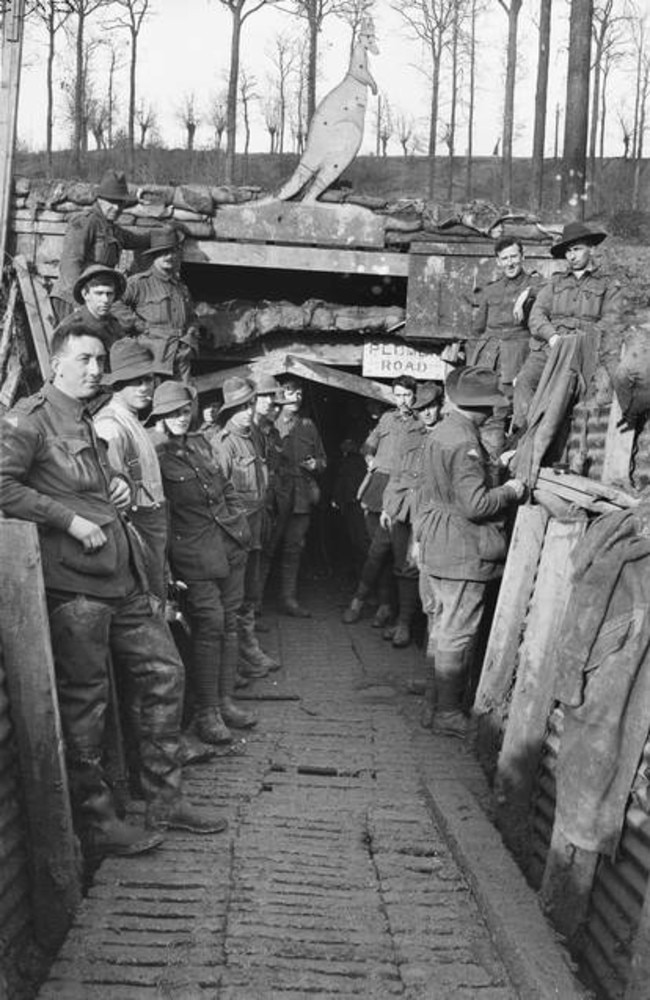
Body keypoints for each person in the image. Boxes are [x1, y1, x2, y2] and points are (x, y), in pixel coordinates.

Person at [0, 325, 228, 859]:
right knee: (86, 705)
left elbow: (87, 485)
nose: (96, 369)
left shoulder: (87, 419)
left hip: (121, 579)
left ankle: (165, 801)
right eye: (85, 359)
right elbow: (2, 485)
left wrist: (114, 488)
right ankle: (99, 823)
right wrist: (69, 520)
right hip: (75, 589)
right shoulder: (29, 420)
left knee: (165, 673)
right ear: (58, 363)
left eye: (101, 360)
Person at [413, 367, 526, 738]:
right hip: (462, 546)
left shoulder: (443, 431)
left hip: (437, 541)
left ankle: (433, 701)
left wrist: (494, 467)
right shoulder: (466, 442)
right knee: (458, 632)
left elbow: (444, 485)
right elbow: (475, 504)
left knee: (442, 626)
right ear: (478, 406)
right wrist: (510, 490)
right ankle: (447, 712)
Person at [152, 381, 256, 742]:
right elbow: (159, 515)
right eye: (171, 413)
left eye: (183, 411)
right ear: (158, 416)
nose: (179, 418)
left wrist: (237, 521)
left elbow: (225, 486)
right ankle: (206, 712)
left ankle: (225, 702)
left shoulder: (200, 443)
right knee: (210, 624)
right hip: (191, 555)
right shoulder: (155, 452)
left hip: (227, 546)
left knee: (229, 622)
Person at [513, 221, 625, 429]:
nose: (572, 256)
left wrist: (582, 341)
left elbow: (611, 321)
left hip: (585, 352)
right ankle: (523, 437)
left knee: (584, 396)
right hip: (549, 349)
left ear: (591, 249)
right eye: (568, 251)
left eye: (577, 249)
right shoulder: (555, 283)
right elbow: (536, 316)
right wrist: (552, 336)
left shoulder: (608, 284)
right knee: (524, 382)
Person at [207, 376, 280, 680]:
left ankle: (247, 651)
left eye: (250, 404)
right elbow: (218, 497)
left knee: (250, 594)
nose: (249, 411)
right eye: (241, 406)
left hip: (257, 527)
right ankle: (235, 660)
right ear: (229, 410)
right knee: (233, 598)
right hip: (236, 533)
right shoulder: (223, 443)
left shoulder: (256, 437)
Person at [341, 376, 421, 643]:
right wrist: (370, 459)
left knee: (391, 553)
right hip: (379, 487)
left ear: (415, 396)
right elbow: (368, 445)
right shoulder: (386, 419)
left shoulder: (422, 424)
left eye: (407, 395)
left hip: (403, 491)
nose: (402, 401)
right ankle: (375, 603)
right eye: (397, 395)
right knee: (376, 551)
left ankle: (374, 605)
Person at [467, 237, 542, 447]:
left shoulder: (535, 284)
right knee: (480, 408)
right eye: (504, 258)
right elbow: (477, 329)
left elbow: (549, 288)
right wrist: (472, 363)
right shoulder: (491, 290)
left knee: (507, 410)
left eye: (514, 257)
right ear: (498, 262)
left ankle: (504, 458)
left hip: (517, 355)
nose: (510, 263)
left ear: (523, 257)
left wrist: (526, 294)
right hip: (488, 356)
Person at [51, 169, 149, 323]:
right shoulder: (86, 221)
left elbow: (138, 240)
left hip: (95, 298)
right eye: (112, 202)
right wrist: (79, 301)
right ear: (99, 199)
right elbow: (70, 263)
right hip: (73, 299)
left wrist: (169, 234)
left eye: (120, 203)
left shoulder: (112, 228)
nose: (117, 208)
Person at [267, 377, 327, 618]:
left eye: (300, 392)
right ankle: (255, 604)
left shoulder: (308, 425)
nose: (297, 397)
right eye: (291, 391)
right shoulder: (269, 423)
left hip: (301, 495)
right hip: (276, 494)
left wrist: (316, 464)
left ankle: (288, 600)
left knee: (294, 549)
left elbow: (323, 460)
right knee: (267, 548)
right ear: (280, 395)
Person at [112, 227, 199, 383]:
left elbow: (192, 317)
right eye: (163, 252)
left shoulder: (180, 287)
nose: (169, 256)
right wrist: (138, 325)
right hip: (154, 354)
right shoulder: (139, 283)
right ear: (154, 255)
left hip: (181, 356)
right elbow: (114, 303)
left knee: (183, 399)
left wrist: (191, 337)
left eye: (172, 251)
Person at [55, 264, 127, 351]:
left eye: (109, 294)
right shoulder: (70, 328)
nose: (105, 299)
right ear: (85, 294)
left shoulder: (114, 324)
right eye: (99, 293)